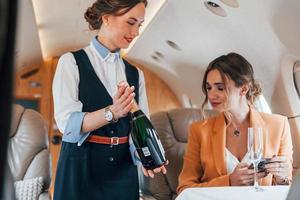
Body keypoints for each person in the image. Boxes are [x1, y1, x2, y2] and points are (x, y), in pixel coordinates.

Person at [52, 1, 167, 199]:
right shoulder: (71, 63)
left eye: (139, 24)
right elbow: (67, 125)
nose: (136, 31)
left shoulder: (135, 73)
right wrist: (112, 112)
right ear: (106, 18)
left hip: (123, 172)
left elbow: (140, 124)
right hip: (81, 170)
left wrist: (144, 156)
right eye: (131, 22)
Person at [177, 53, 293, 193]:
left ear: (243, 89)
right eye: (209, 88)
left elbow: (286, 188)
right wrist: (229, 181)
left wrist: (282, 177)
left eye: (220, 88)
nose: (211, 95)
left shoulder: (278, 125)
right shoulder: (199, 131)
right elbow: (184, 188)